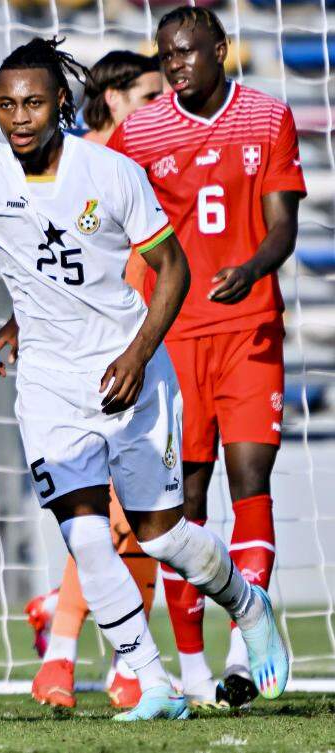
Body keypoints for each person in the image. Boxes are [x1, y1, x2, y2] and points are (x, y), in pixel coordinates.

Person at [0, 38, 288, 721]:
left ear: (61, 102)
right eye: (6, 105)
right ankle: (150, 680)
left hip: (133, 374)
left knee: (161, 536)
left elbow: (172, 269)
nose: (19, 117)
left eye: (32, 102)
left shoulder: (109, 172)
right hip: (49, 387)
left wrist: (139, 353)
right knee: (84, 534)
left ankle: (245, 600)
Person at [107, 6, 306, 707]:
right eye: (166, 55)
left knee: (251, 479)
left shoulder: (269, 117)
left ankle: (244, 650)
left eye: (189, 51)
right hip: (175, 338)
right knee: (182, 503)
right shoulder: (141, 130)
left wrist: (252, 269)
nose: (176, 64)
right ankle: (191, 670)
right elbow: (103, 220)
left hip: (250, 327)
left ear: (221, 50)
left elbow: (285, 226)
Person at [16, 49, 164, 710]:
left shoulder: (138, 163)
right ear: (110, 98)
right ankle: (84, 655)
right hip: (92, 362)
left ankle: (71, 632)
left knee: (134, 517)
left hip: (151, 341)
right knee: (110, 514)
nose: (163, 108)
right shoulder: (75, 166)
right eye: (149, 96)